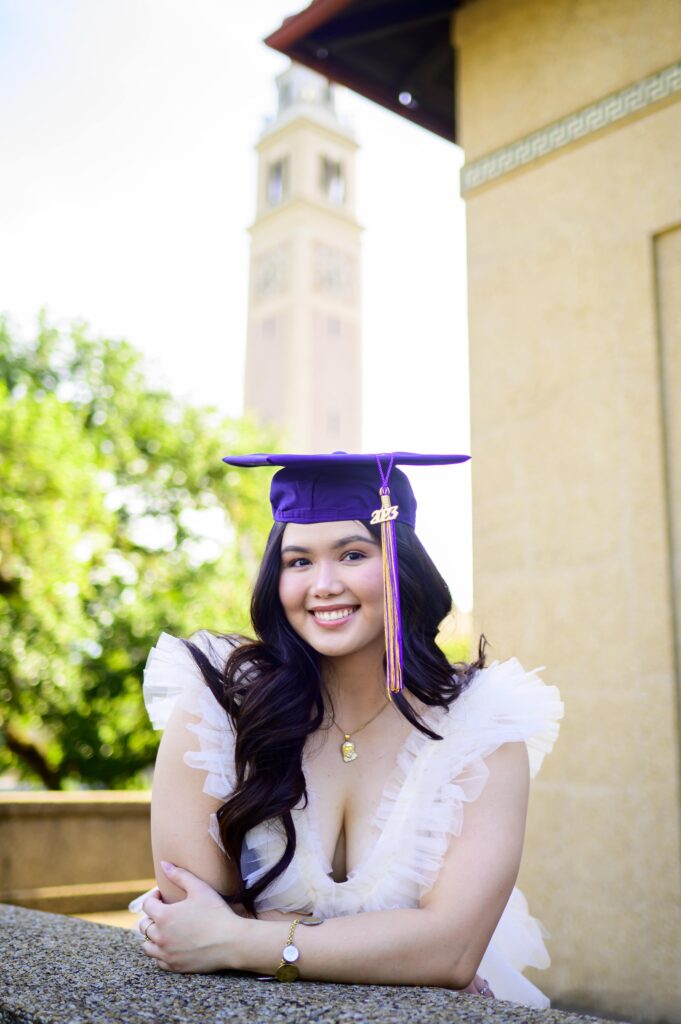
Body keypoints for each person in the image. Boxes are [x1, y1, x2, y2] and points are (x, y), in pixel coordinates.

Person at [133, 452, 563, 1006]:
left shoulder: (483, 727)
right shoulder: (218, 709)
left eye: (353, 554)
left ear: (400, 566)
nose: (324, 584)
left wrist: (242, 937)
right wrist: (396, 949)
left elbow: (451, 952)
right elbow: (192, 918)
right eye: (298, 562)